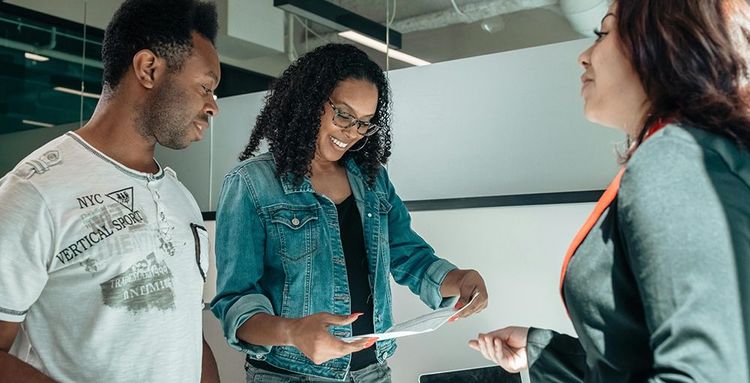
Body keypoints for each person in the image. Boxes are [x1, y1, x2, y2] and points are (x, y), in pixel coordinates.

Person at [469, 1, 750, 382]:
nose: (583, 58)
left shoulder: (674, 158)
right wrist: (539, 350)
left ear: (663, 41)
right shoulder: (698, 153)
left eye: (603, 33)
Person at [211, 43, 489, 382]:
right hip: (291, 376)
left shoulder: (371, 181)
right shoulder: (251, 184)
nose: (352, 133)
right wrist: (293, 332)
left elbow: (409, 256)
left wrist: (459, 279)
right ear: (309, 102)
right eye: (343, 115)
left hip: (371, 372)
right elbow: (235, 303)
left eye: (364, 123)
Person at [0, 0, 222, 381]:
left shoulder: (179, 198)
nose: (212, 106)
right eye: (205, 87)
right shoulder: (34, 191)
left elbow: (183, 331)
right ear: (149, 69)